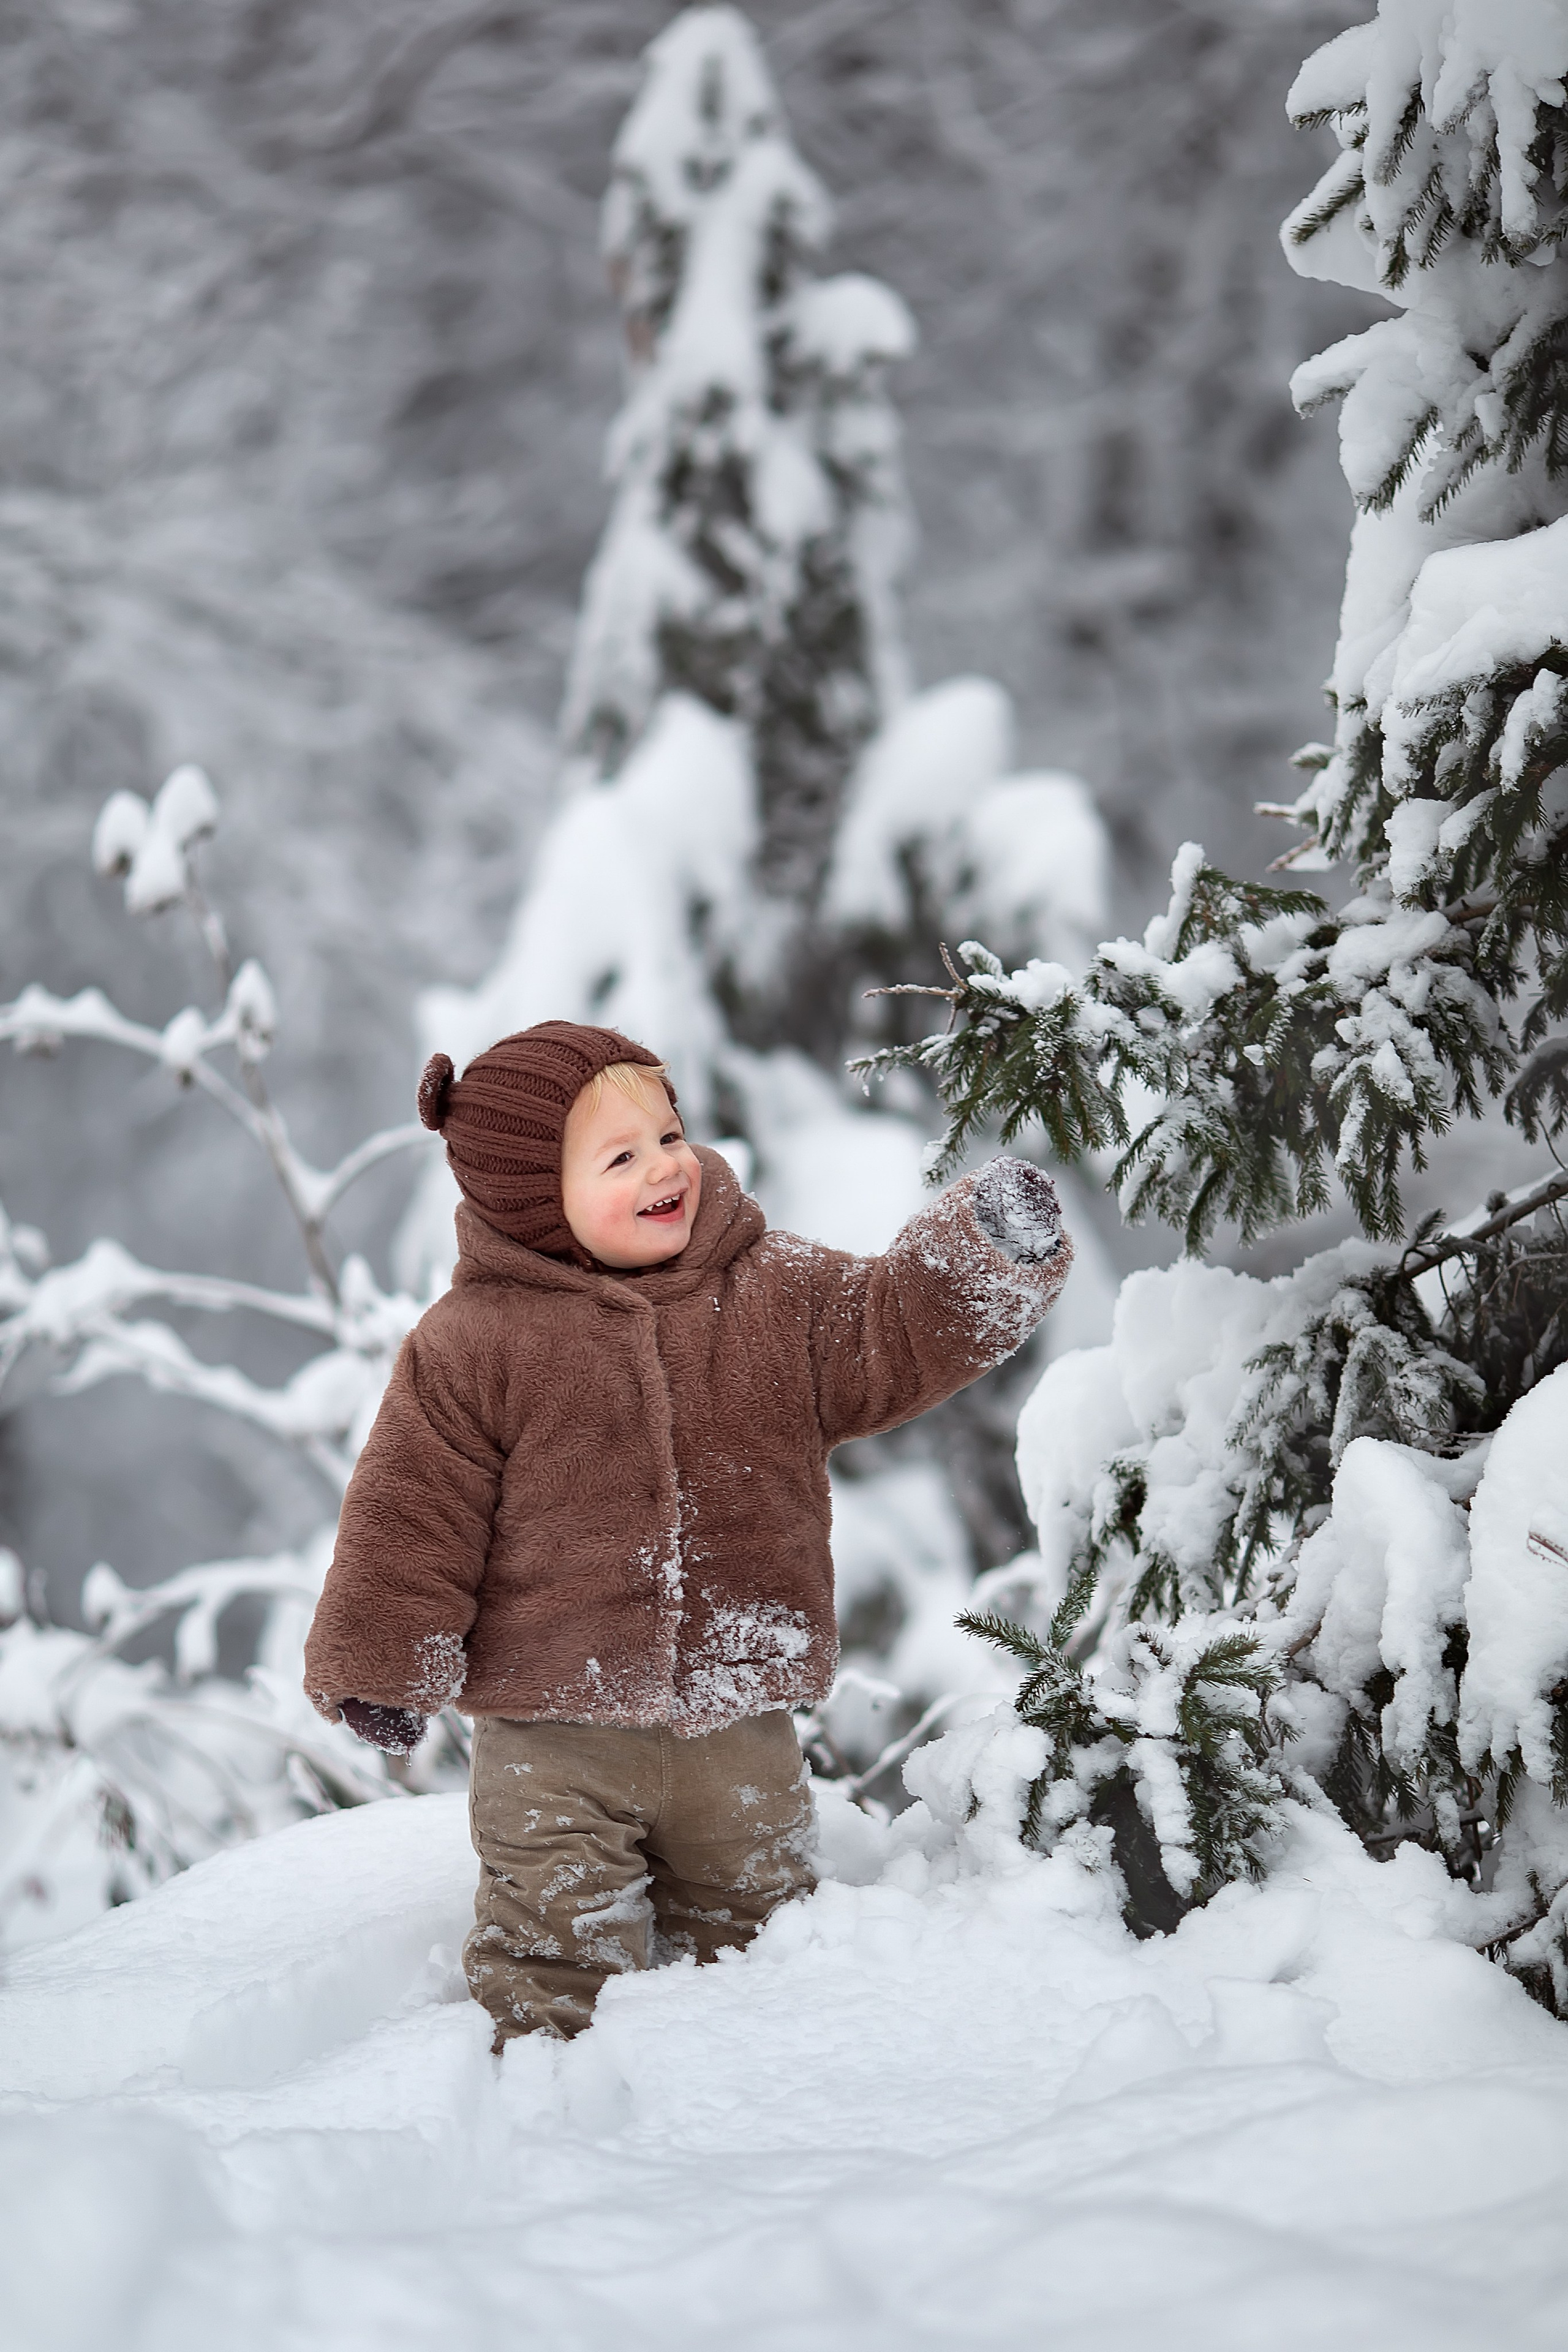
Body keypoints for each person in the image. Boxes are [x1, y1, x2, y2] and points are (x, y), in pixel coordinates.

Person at [303, 1020, 1072, 2048]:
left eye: (668, 1135)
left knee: (767, 1936)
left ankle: (751, 2102)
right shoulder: (474, 1345)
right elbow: (413, 1509)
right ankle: (543, 2110)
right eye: (621, 1158)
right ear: (536, 1200)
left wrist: (978, 1251)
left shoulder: (770, 1290)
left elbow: (886, 1330)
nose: (666, 1167)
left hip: (738, 1716)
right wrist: (384, 1661)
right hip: (550, 1734)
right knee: (551, 1945)